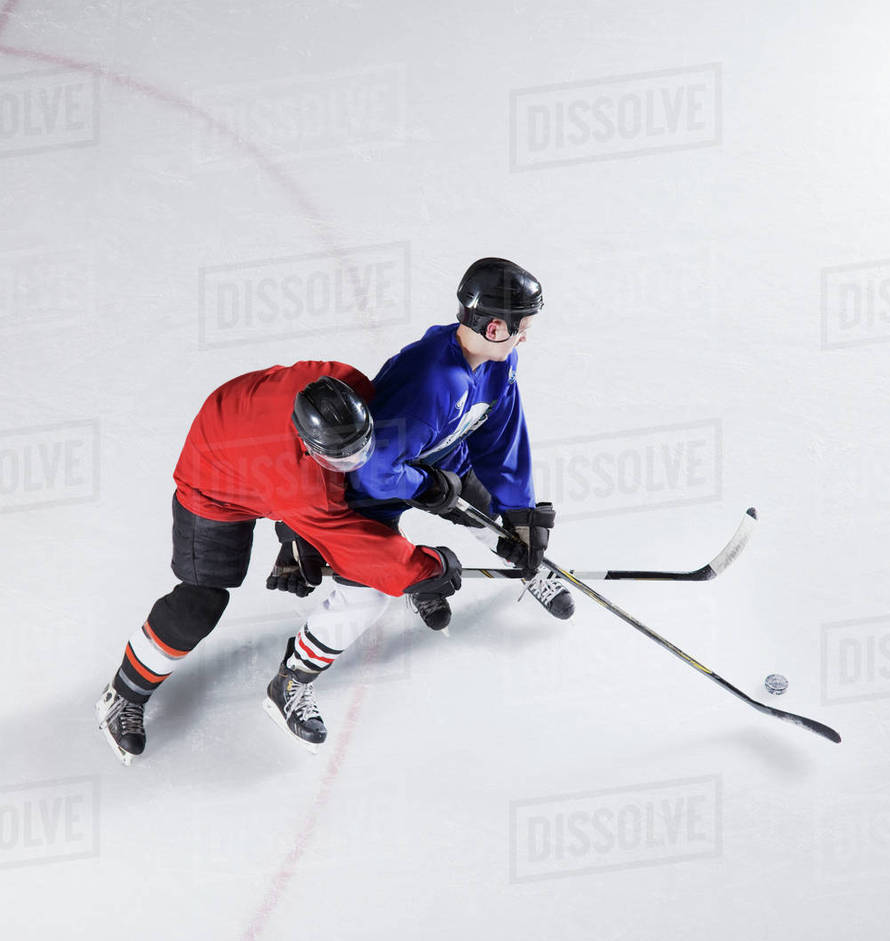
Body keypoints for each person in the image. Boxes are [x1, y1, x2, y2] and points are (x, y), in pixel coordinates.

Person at [95, 364, 461, 765]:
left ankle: (290, 680)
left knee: (350, 512)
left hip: (244, 432)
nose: (357, 462)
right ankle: (124, 692)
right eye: (341, 459)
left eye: (363, 446)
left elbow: (314, 485)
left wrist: (294, 534)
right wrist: (429, 568)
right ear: (308, 445)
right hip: (214, 481)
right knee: (200, 602)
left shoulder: (343, 381)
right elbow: (366, 552)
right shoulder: (303, 487)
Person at [258, 258, 572, 693]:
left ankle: (526, 565)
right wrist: (426, 490)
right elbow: (373, 474)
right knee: (372, 585)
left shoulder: (500, 363)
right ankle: (296, 677)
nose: (526, 336)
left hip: (439, 460)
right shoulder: (428, 384)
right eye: (523, 327)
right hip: (372, 492)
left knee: (489, 516)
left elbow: (501, 437)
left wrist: (518, 509)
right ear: (496, 328)